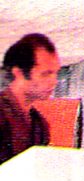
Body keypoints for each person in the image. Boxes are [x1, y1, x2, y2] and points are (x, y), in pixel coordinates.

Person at [1, 33, 60, 165]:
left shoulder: (40, 125)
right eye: (45, 74)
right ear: (19, 73)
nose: (54, 81)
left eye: (56, 73)